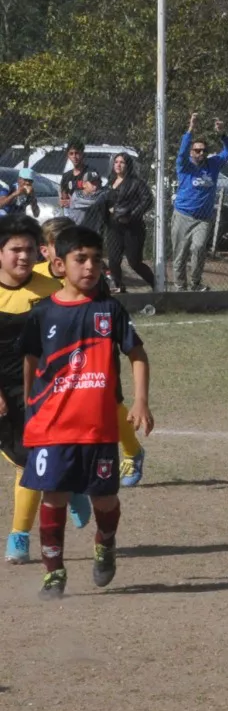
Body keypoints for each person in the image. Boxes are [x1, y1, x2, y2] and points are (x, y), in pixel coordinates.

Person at [19, 226, 152, 599]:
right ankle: (54, 572)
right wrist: (30, 404)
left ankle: (105, 542)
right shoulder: (42, 313)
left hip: (97, 429)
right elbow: (30, 359)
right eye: (81, 259)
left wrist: (140, 400)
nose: (91, 266)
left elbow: (137, 354)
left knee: (105, 501)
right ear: (59, 265)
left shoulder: (109, 310)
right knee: (53, 497)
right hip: (51, 426)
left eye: (97, 259)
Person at [35, 218, 148, 491]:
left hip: (93, 360)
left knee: (110, 404)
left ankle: (132, 452)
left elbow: (106, 317)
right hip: (53, 363)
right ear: (47, 250)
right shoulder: (35, 276)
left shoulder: (92, 281)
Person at [0, 217, 61, 565]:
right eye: (15, 250)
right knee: (23, 457)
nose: (23, 257)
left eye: (28, 249)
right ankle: (68, 485)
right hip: (4, 391)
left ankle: (18, 537)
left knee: (27, 462)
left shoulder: (50, 288)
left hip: (40, 391)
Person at [172, 113, 228, 292]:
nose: (201, 153)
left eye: (203, 150)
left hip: (203, 218)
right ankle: (179, 286)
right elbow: (182, 152)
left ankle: (195, 283)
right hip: (183, 215)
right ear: (192, 152)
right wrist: (190, 129)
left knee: (199, 248)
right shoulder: (184, 166)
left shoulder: (213, 165)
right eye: (197, 150)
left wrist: (222, 134)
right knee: (180, 254)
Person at [105, 152, 156, 293]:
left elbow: (147, 200)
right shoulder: (110, 181)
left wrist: (131, 215)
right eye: (116, 162)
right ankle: (119, 288)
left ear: (128, 165)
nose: (118, 165)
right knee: (113, 260)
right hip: (114, 227)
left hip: (132, 228)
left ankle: (156, 284)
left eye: (122, 162)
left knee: (134, 262)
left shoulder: (136, 182)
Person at [58, 141, 99, 210]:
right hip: (71, 213)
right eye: (71, 154)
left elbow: (93, 194)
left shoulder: (91, 172)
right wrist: (63, 201)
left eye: (77, 153)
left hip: (87, 213)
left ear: (82, 154)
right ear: (68, 156)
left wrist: (73, 201)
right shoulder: (66, 176)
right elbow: (64, 198)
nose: (74, 156)